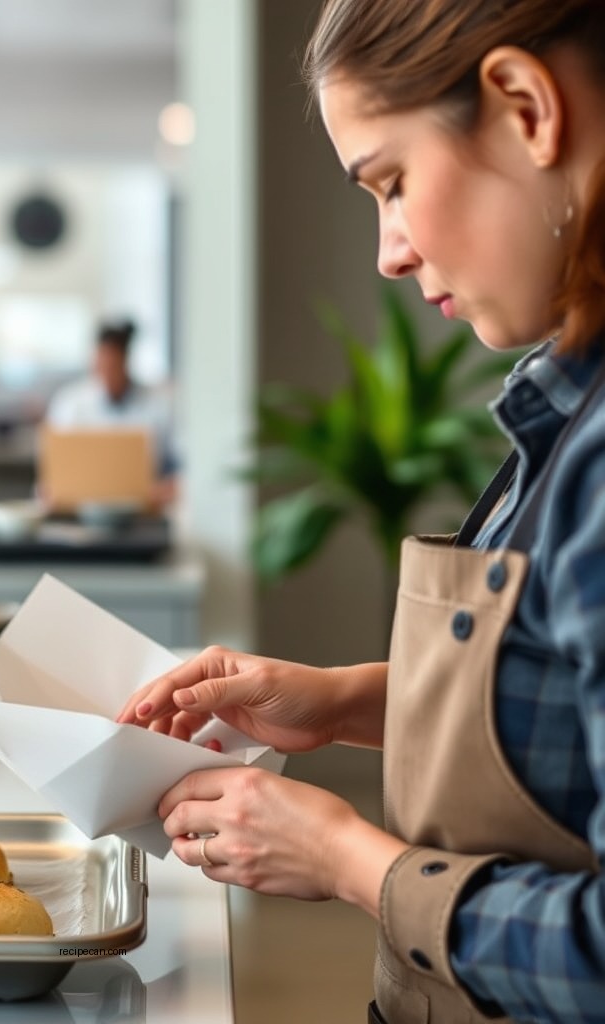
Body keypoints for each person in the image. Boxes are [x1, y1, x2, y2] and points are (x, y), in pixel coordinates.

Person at [117, 2, 605, 1021]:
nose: (387, 250)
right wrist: (337, 701)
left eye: (390, 182)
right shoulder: (563, 407)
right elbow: (559, 701)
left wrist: (347, 858)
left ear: (523, 107)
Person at [45, 318, 179, 506]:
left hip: (142, 511)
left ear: (126, 361)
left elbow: (178, 469)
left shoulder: (158, 406)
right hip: (79, 509)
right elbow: (54, 471)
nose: (107, 372)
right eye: (102, 363)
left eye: (114, 364)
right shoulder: (70, 403)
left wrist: (170, 486)